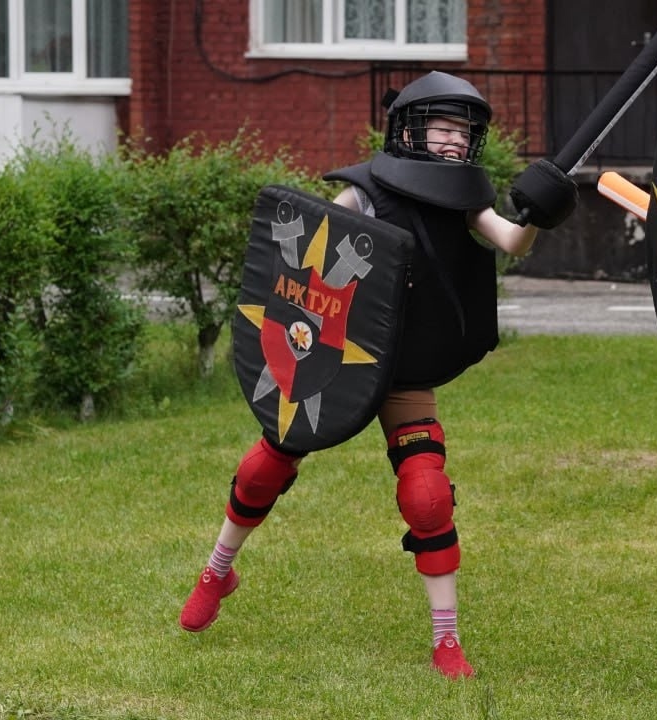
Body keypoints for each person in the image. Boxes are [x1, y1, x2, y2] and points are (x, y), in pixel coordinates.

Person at [177, 71, 579, 680]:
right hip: (330, 362)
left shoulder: (466, 197)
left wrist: (539, 212)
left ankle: (446, 640)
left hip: (406, 366)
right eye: (444, 128)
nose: (455, 140)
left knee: (427, 494)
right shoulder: (363, 193)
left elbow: (512, 242)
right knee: (264, 466)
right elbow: (306, 264)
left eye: (464, 132)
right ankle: (216, 572)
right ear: (411, 131)